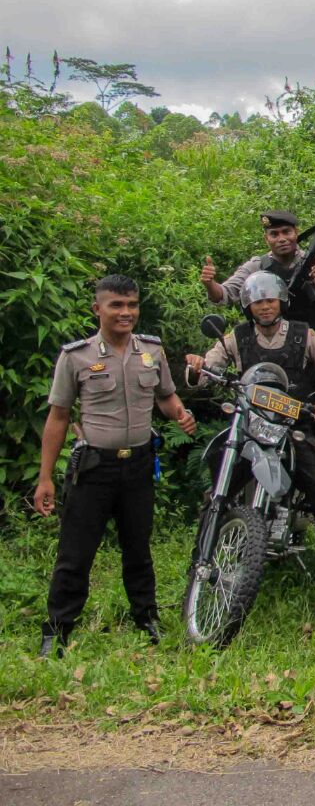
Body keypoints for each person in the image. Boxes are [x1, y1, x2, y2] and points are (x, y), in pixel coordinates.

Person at [35, 274, 198, 657]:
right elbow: (58, 417)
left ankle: (146, 617)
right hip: (94, 468)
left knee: (138, 548)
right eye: (117, 305)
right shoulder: (76, 356)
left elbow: (166, 396)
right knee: (76, 552)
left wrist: (180, 415)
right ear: (98, 309)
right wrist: (45, 478)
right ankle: (58, 629)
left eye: (132, 305)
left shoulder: (152, 352)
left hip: (138, 465)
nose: (126, 313)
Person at [185, 271, 315, 564]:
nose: (265, 306)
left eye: (270, 300)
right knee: (216, 495)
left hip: (294, 424)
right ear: (249, 306)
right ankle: (201, 558)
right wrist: (197, 367)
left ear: (281, 301)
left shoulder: (304, 334)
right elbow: (207, 371)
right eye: (258, 302)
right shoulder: (236, 337)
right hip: (249, 426)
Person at [200, 209, 315, 337]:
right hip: (274, 347)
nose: (281, 239)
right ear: (266, 239)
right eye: (274, 234)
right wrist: (210, 284)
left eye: (286, 232)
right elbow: (224, 295)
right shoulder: (257, 266)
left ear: (296, 233)